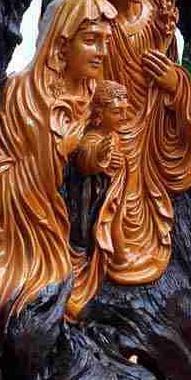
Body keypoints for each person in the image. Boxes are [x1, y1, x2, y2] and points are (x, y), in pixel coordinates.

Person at [0, 0, 116, 323]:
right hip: (23, 229)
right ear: (62, 44)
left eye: (106, 42)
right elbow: (2, 169)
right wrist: (62, 149)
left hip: (77, 227)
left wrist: (97, 154)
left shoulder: (94, 93)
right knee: (32, 310)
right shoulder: (22, 93)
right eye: (91, 40)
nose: (102, 52)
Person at [84, 0, 191, 286]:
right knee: (117, 206)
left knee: (153, 200)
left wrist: (173, 81)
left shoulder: (156, 9)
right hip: (116, 128)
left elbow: (173, 73)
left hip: (154, 133)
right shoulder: (97, 23)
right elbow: (84, 89)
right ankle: (115, 254)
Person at [67, 81, 130, 318]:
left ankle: (109, 263)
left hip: (109, 200)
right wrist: (101, 157)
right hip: (90, 202)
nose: (123, 116)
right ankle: (86, 272)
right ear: (99, 114)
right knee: (92, 235)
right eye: (116, 112)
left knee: (111, 231)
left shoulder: (113, 136)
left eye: (125, 110)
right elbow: (86, 158)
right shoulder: (91, 138)